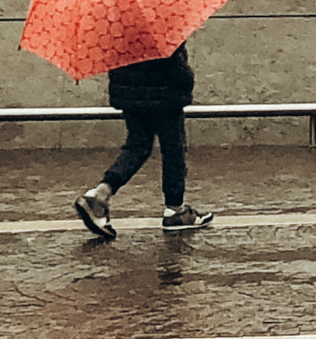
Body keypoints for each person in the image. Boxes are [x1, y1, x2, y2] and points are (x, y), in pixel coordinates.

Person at [75, 44, 214, 242]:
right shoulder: (161, 24)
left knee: (137, 146)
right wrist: (187, 79)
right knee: (173, 149)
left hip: (130, 97)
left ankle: (101, 193)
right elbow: (175, 67)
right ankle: (175, 210)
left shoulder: (117, 26)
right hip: (165, 96)